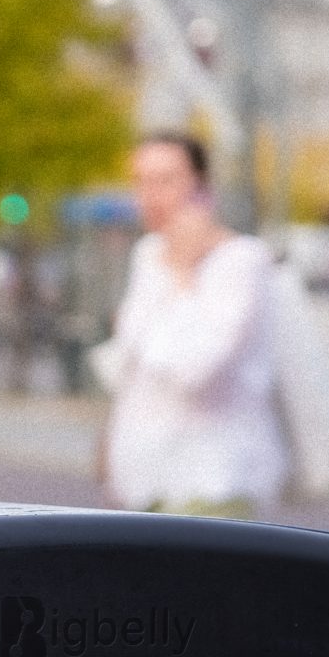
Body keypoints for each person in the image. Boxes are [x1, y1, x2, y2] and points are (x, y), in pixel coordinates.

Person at [99, 131, 287, 517]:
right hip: (147, 478)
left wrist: (185, 275)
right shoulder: (149, 254)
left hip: (216, 478)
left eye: (166, 180)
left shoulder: (241, 261)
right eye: (141, 181)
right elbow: (134, 365)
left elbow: (194, 369)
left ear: (201, 188)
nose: (151, 195)